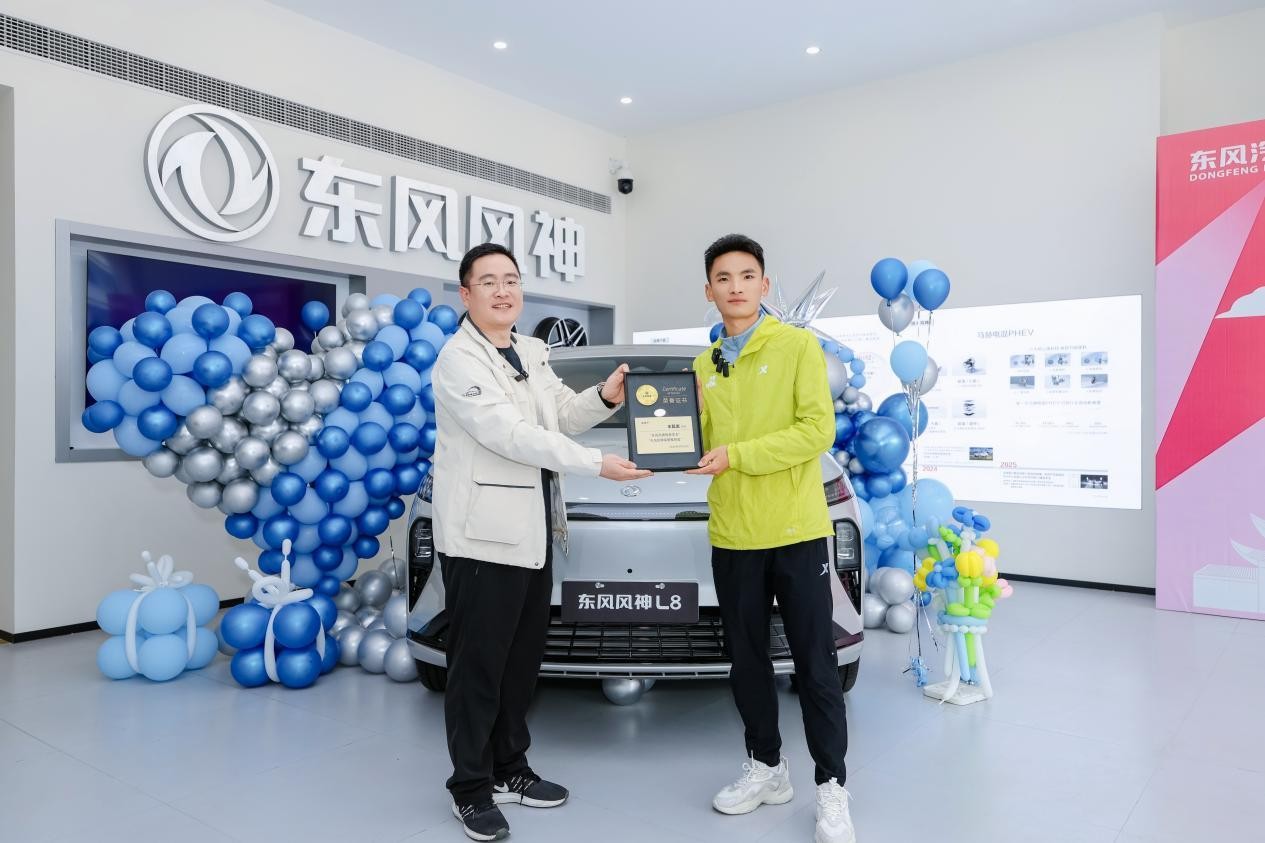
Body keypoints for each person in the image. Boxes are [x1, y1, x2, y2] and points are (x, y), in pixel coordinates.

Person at [430, 242, 650, 841]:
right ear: (466, 294)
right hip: (481, 540)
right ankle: (470, 789)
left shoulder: (530, 350)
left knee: (520, 664)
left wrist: (606, 396)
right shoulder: (458, 360)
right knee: (478, 667)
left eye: (511, 280)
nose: (503, 291)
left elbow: (562, 415)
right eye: (489, 281)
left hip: (532, 532)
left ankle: (510, 769)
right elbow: (511, 435)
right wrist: (596, 464)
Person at [687, 234, 856, 843]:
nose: (735, 287)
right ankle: (766, 767)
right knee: (747, 661)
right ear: (709, 291)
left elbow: (816, 431)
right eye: (723, 278)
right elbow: (694, 441)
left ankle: (831, 785)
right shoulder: (703, 366)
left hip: (795, 530)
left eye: (746, 275)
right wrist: (657, 429)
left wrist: (737, 455)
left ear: (763, 284)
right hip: (734, 533)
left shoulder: (796, 346)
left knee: (815, 662)